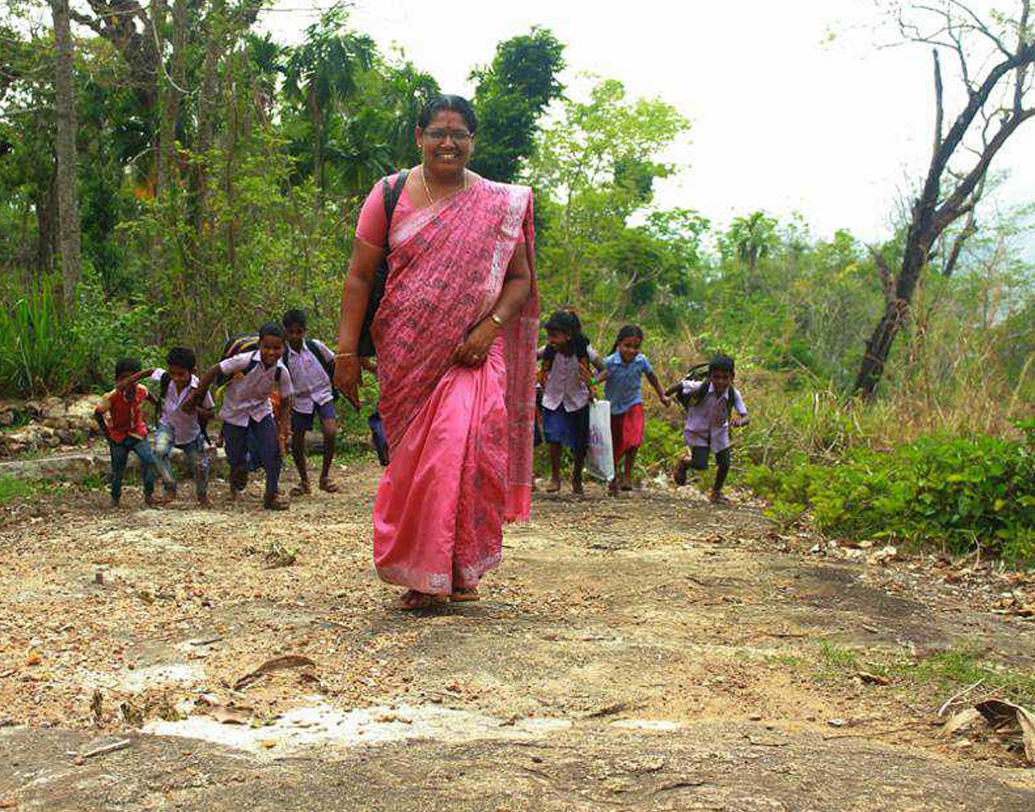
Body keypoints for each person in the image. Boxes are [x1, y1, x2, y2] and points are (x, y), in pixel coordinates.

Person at [334, 94, 537, 610]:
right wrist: (345, 353)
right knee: (416, 465)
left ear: (473, 141)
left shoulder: (497, 203)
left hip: (471, 356)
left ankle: (444, 572)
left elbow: (519, 281)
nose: (448, 143)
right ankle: (430, 565)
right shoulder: (389, 194)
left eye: (459, 134)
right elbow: (360, 277)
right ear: (418, 136)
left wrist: (488, 329)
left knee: (459, 458)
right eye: (438, 132)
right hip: (405, 356)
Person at [185, 322, 293, 510]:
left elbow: (286, 400)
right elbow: (213, 371)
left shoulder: (281, 371)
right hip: (235, 412)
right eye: (267, 347)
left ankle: (270, 496)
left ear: (283, 348)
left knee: (273, 453)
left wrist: (283, 428)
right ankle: (237, 474)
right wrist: (196, 397)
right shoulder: (244, 361)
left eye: (277, 348)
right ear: (260, 345)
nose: (271, 352)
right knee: (236, 459)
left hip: (261, 411)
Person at [538, 309, 605, 495]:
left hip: (578, 400)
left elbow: (605, 370)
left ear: (568, 335)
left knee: (580, 442)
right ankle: (555, 476)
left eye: (554, 336)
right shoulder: (549, 350)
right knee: (553, 436)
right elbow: (531, 356)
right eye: (549, 336)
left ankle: (577, 477)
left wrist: (591, 381)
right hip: (553, 399)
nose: (551, 340)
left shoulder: (584, 350)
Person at [598, 325, 670, 496]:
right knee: (615, 447)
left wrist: (662, 395)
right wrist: (590, 387)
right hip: (614, 409)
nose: (631, 350)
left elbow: (652, 377)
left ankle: (627, 475)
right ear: (619, 344)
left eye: (636, 347)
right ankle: (613, 480)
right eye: (627, 346)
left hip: (633, 404)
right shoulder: (609, 362)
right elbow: (597, 377)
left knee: (634, 439)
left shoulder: (641, 361)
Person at [668, 354, 749, 504]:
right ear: (710, 376)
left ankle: (716, 492)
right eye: (716, 377)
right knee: (700, 464)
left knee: (724, 463)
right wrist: (665, 396)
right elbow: (681, 385)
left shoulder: (733, 394)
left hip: (719, 432)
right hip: (698, 431)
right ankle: (684, 462)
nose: (720, 382)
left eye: (725, 378)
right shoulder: (701, 387)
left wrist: (740, 422)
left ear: (732, 377)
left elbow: (746, 416)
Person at [282, 308, 339, 495]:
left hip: (323, 393)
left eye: (298, 332)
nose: (295, 336)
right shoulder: (284, 357)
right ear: (285, 333)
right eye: (291, 332)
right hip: (300, 399)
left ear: (304, 331)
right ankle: (304, 480)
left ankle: (324, 476)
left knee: (330, 431)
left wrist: (341, 385)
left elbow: (333, 362)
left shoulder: (315, 347)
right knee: (297, 440)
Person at [150, 347, 214, 506]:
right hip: (168, 425)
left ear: (192, 371)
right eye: (173, 374)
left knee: (200, 466)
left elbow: (211, 413)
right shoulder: (167, 379)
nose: (176, 378)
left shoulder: (199, 388)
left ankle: (202, 494)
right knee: (159, 452)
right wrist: (128, 382)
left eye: (181, 374)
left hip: (190, 433)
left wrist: (195, 409)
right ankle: (170, 487)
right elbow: (150, 371)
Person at [93, 358, 159, 508]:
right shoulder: (112, 396)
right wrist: (108, 435)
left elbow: (153, 399)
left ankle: (149, 495)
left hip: (137, 433)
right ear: (117, 380)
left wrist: (158, 412)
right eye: (124, 378)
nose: (129, 383)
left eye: (133, 378)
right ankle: (115, 498)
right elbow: (98, 413)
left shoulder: (141, 390)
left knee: (149, 462)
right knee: (118, 469)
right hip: (118, 436)